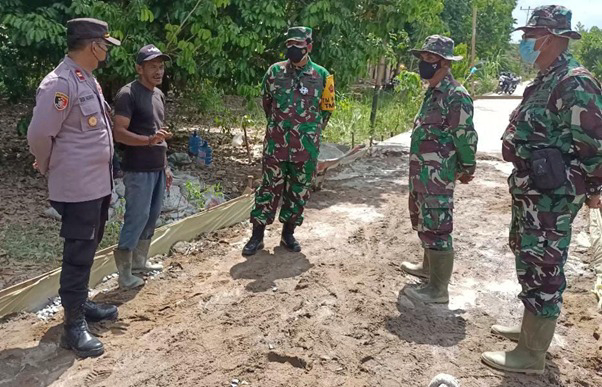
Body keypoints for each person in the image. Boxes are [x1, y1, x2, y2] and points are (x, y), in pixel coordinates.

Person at [481, 5, 602, 374]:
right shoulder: (546, 78)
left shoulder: (574, 82)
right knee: (529, 258)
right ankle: (529, 333)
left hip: (554, 197)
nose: (525, 42)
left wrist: (594, 187)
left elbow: (595, 143)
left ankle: (531, 355)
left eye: (530, 36)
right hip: (534, 193)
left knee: (544, 266)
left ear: (552, 39)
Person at [27, 18, 121, 358]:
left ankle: (80, 304)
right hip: (77, 186)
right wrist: (47, 164)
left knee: (89, 246)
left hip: (95, 184)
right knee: (78, 254)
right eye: (105, 45)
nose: (107, 51)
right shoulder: (59, 83)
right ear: (94, 45)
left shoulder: (86, 78)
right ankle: (73, 327)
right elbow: (39, 135)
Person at [242, 26, 335, 256]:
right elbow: (267, 104)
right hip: (276, 145)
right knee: (267, 189)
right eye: (289, 45)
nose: (293, 50)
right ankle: (257, 236)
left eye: (298, 46)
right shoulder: (274, 72)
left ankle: (288, 234)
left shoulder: (323, 76)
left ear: (309, 47)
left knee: (298, 190)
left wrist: (308, 132)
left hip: (305, 148)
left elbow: (327, 110)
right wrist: (280, 128)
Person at [402, 35, 478, 304]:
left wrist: (468, 167)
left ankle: (438, 289)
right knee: (425, 221)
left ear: (445, 62)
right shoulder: (432, 93)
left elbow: (465, 135)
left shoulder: (456, 95)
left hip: (438, 176)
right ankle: (428, 270)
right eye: (423, 58)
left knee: (438, 227)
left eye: (430, 59)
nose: (424, 63)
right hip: (422, 174)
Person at [112, 44, 173, 289]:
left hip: (157, 167)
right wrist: (148, 141)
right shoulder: (128, 94)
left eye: (161, 67)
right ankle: (124, 274)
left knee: (152, 217)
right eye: (152, 67)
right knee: (136, 218)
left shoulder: (158, 95)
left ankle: (140, 262)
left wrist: (166, 166)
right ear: (139, 68)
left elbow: (159, 133)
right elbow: (119, 133)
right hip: (138, 169)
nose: (158, 72)